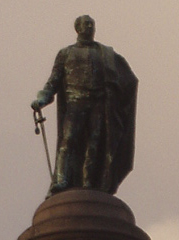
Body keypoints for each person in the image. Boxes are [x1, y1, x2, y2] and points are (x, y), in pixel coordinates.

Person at [31, 15, 138, 197]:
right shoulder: (66, 53)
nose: (90, 27)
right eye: (86, 24)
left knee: (94, 144)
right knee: (69, 140)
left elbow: (127, 79)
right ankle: (61, 180)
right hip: (75, 102)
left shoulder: (104, 53)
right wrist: (41, 99)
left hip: (98, 103)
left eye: (92, 24)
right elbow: (53, 82)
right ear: (77, 28)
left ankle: (89, 182)